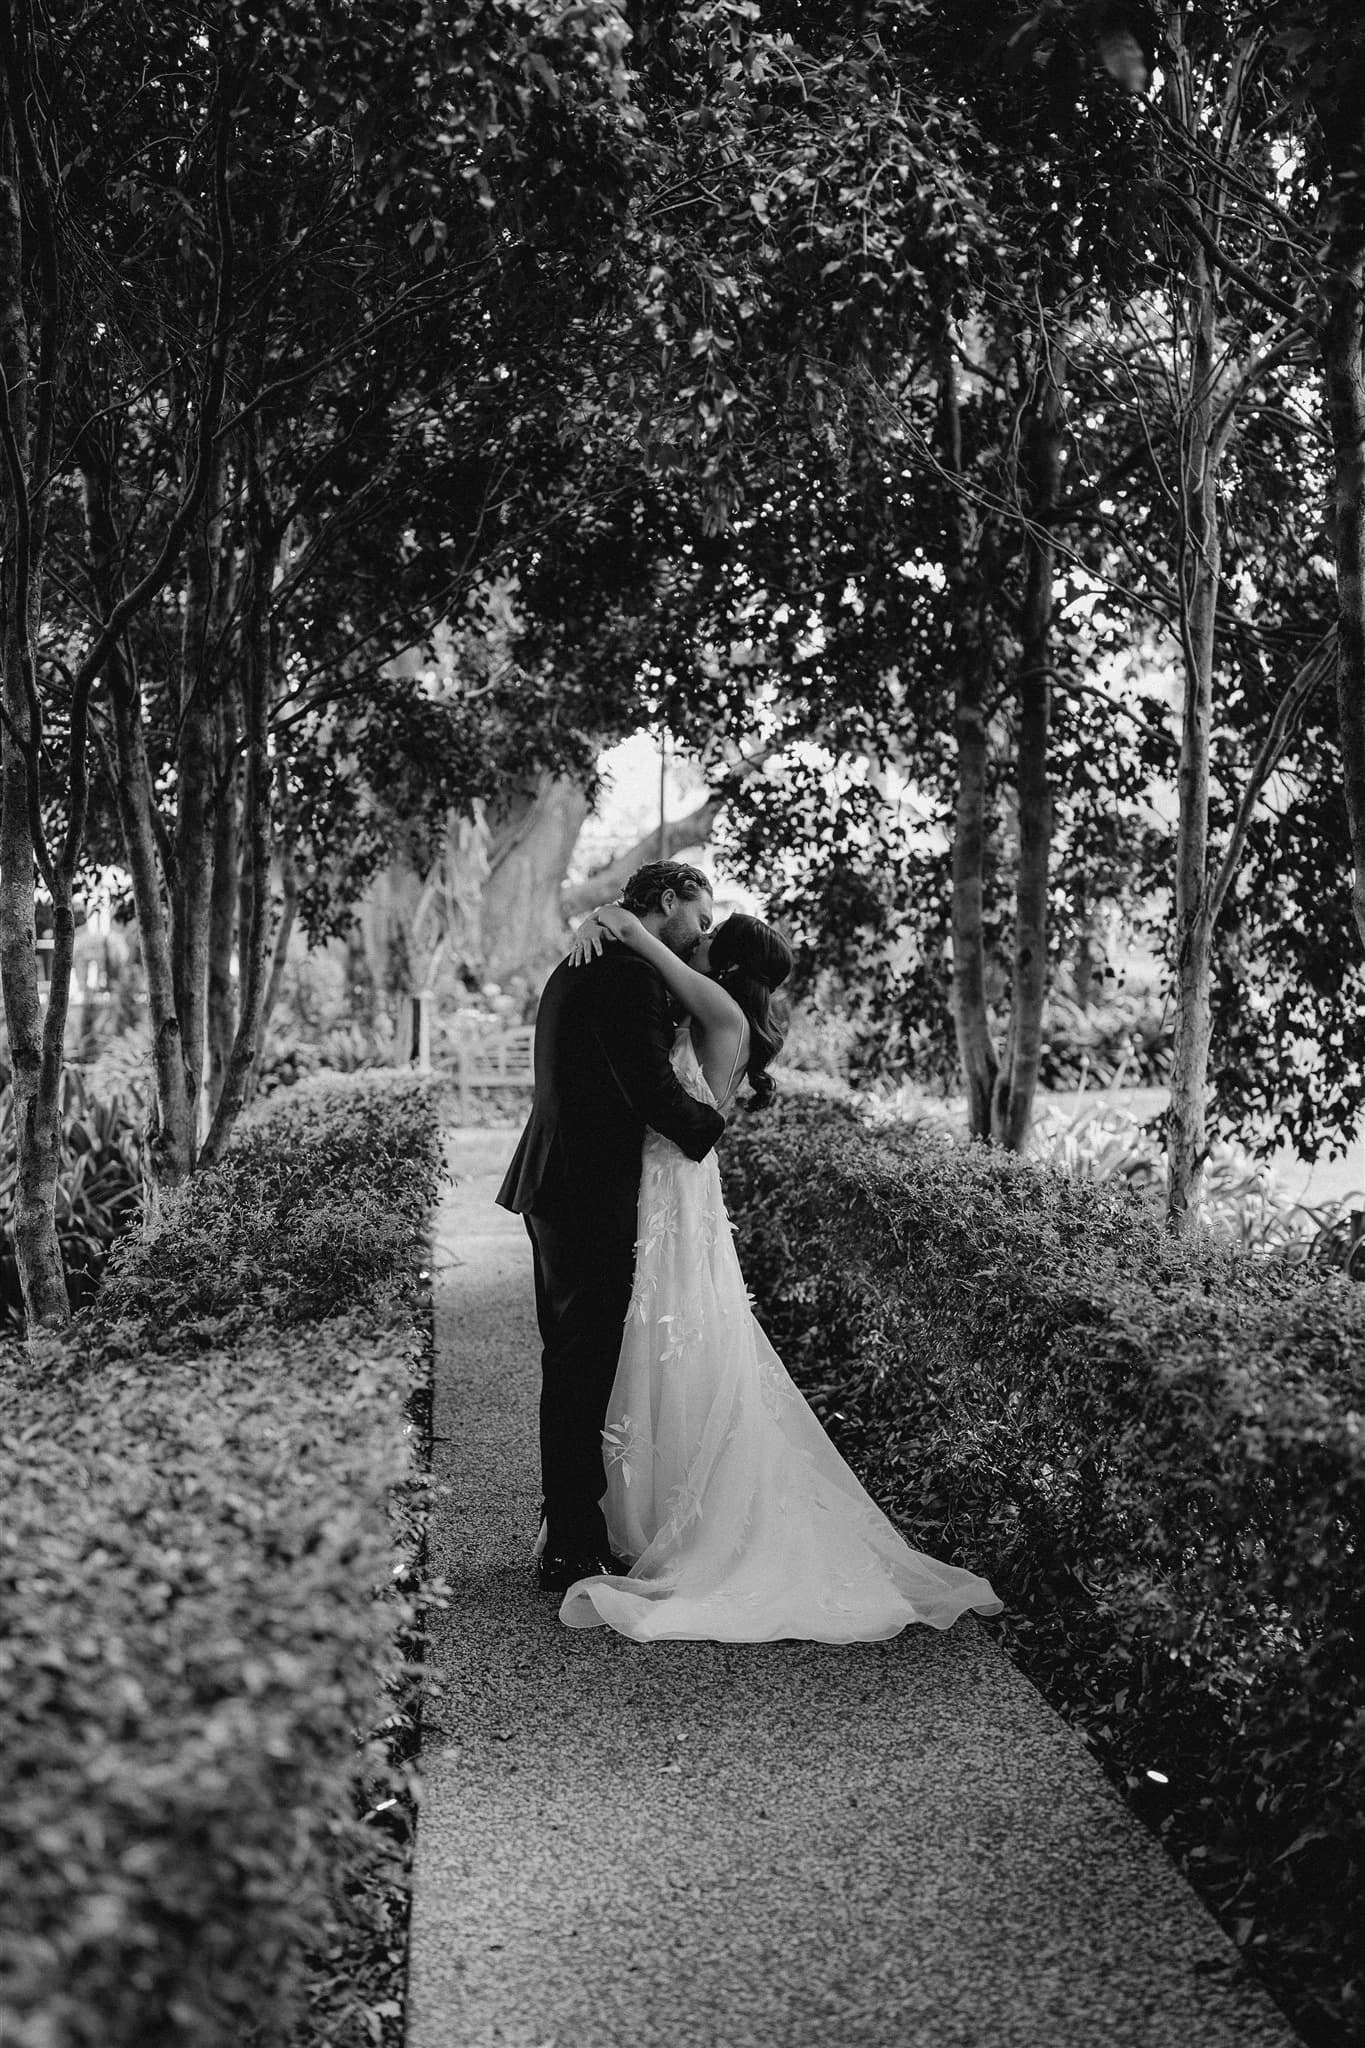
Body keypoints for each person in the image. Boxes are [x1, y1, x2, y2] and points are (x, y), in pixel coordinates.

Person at [555, 899, 1002, 1643]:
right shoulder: (720, 1008)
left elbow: (649, 950)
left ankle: (677, 1516)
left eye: (708, 934)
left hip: (673, 1185)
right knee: (671, 1333)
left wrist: (619, 923)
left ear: (726, 964)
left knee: (674, 1332)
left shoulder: (720, 1008)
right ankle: (654, 1504)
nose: (696, 939)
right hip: (670, 1187)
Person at [495, 862, 727, 1591]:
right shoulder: (626, 974)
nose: (704, 932)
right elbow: (651, 1090)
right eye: (700, 917)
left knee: (574, 1361)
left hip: (559, 1181)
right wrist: (711, 1125)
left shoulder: (588, 958)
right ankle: (569, 1543)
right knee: (581, 1365)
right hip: (585, 1190)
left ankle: (566, 1527)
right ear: (667, 900)